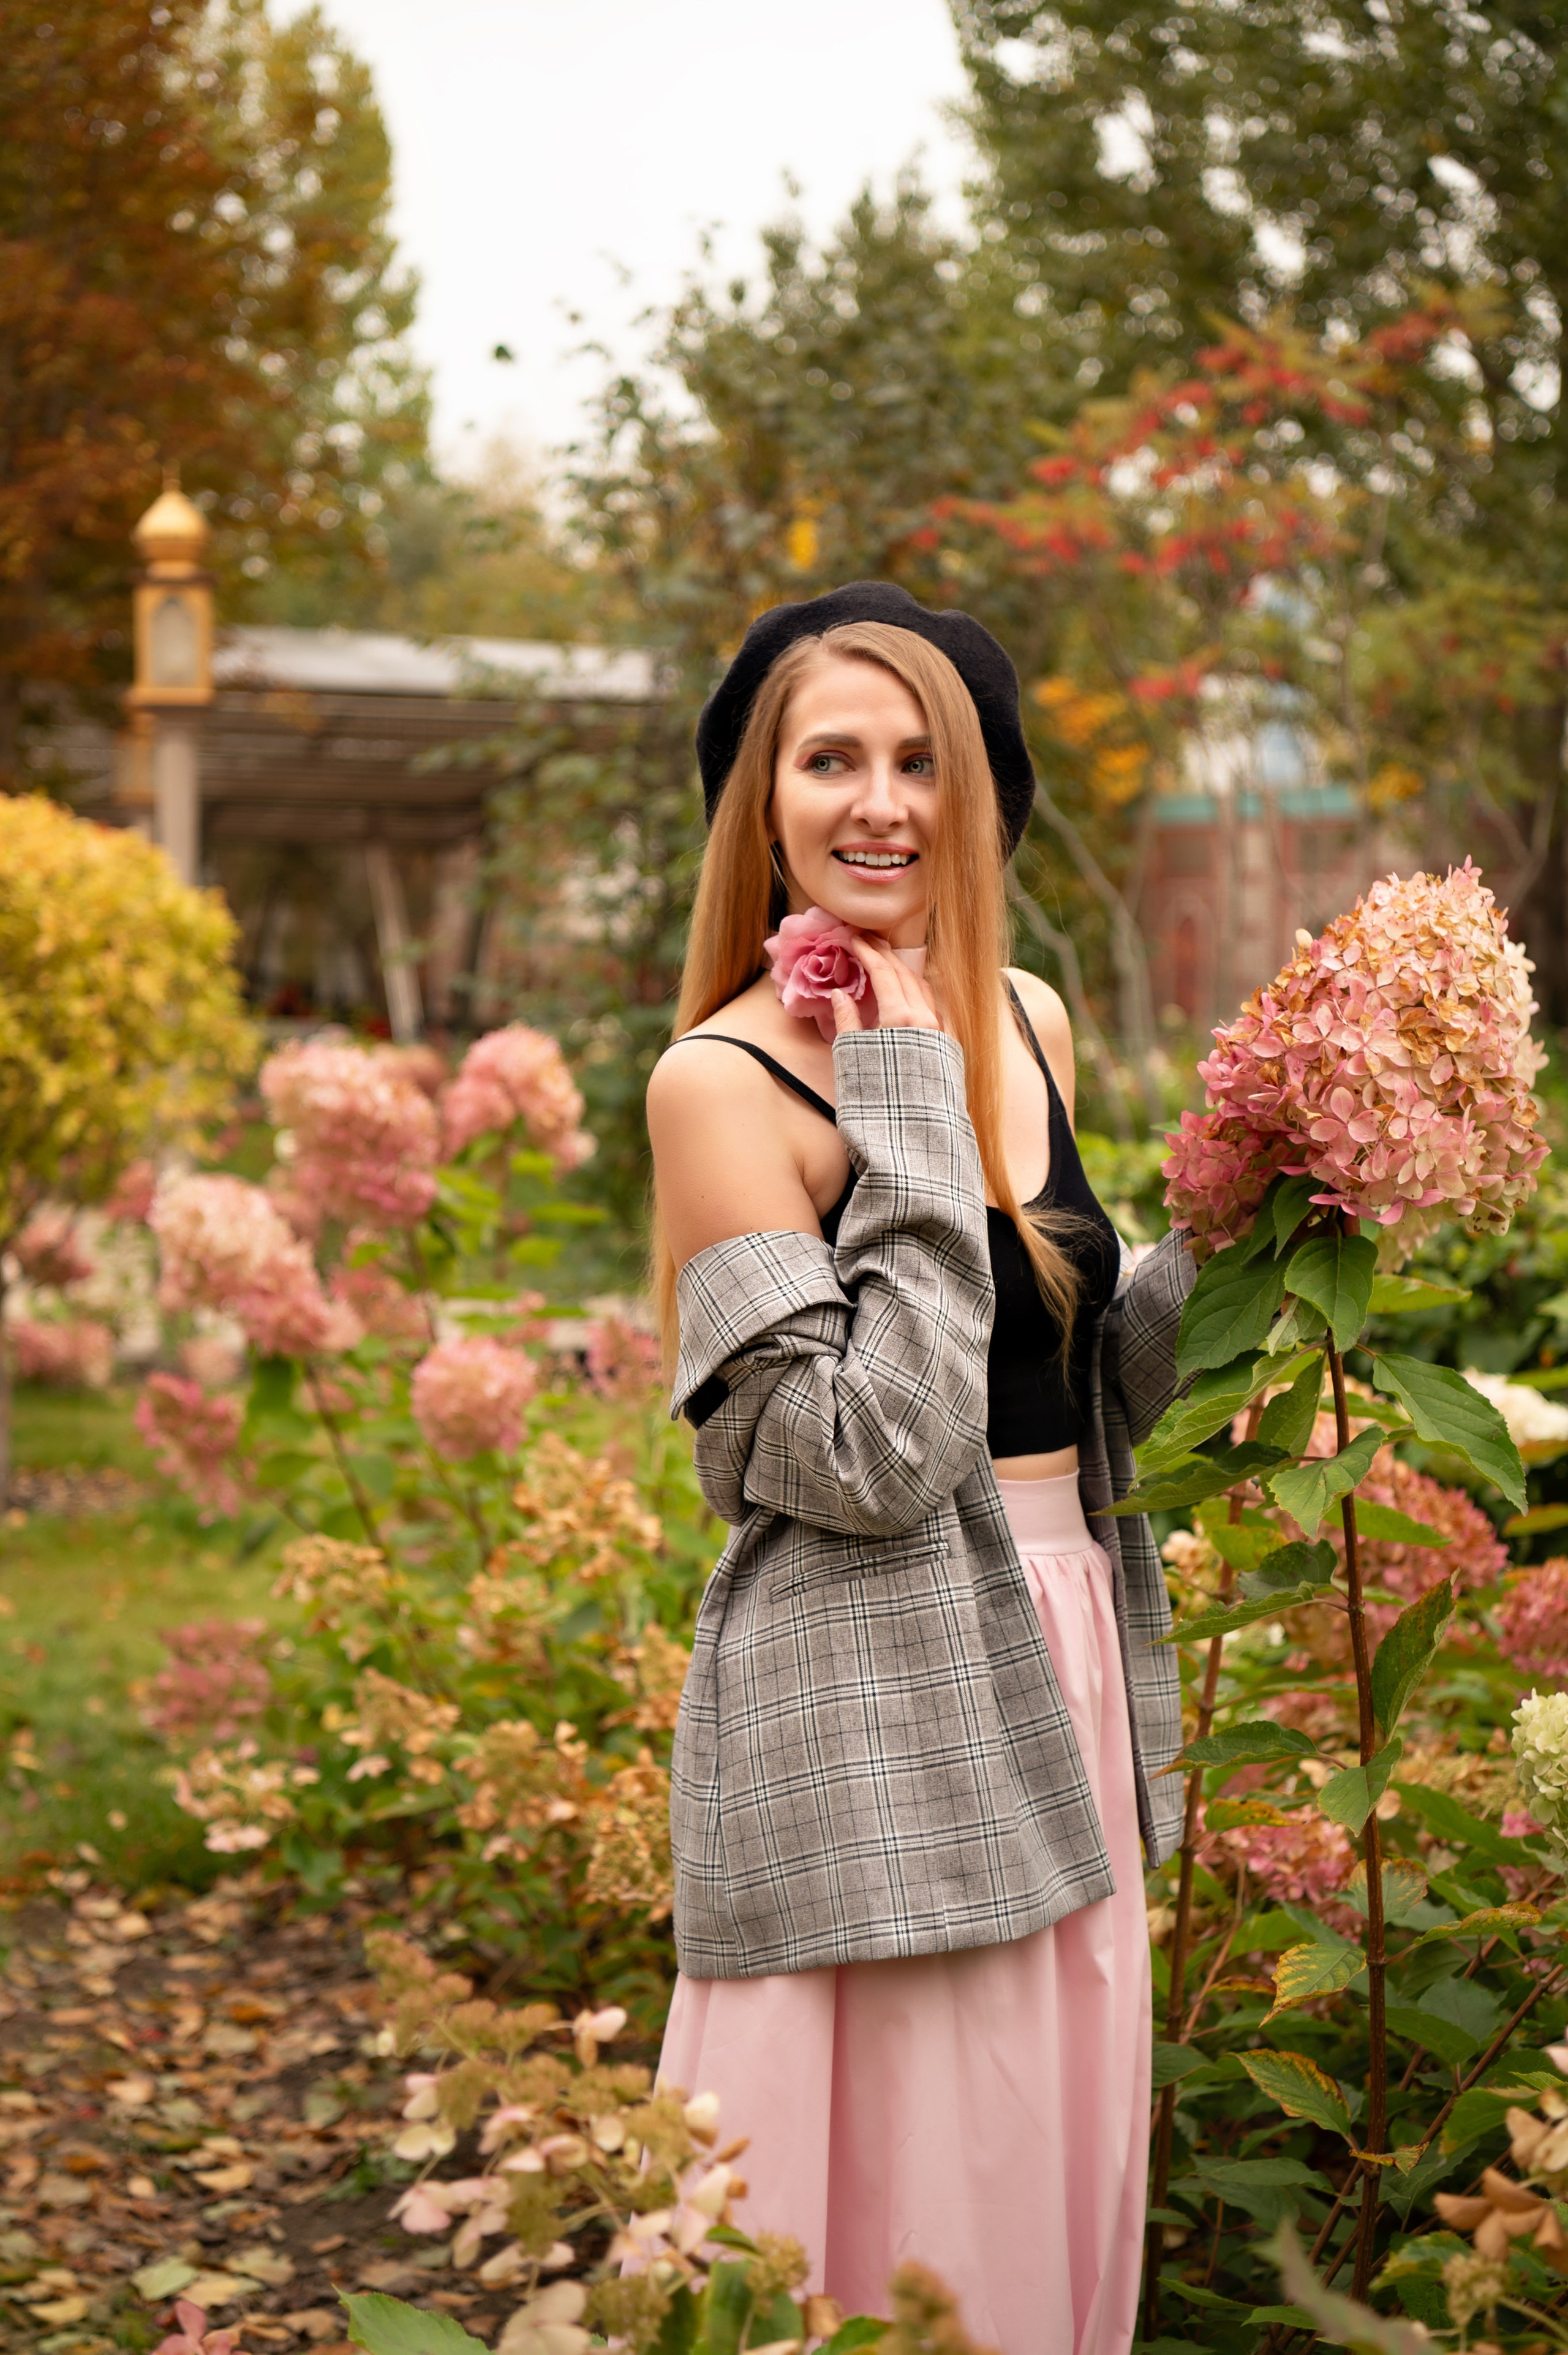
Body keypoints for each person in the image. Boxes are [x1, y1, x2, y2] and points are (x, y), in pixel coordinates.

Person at [644, 581, 1194, 2355]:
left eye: (916, 759)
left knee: (1049, 2145)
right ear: (765, 800)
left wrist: (1255, 1213)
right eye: (829, 760)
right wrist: (898, 1081)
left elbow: (1090, 1376)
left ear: (974, 791)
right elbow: (880, 1449)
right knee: (910, 2195)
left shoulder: (1024, 1007)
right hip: (874, 1685)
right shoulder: (719, 1083)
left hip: (1067, 1641)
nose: (878, 801)